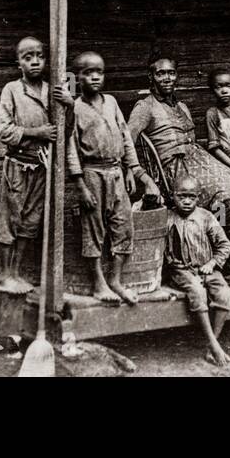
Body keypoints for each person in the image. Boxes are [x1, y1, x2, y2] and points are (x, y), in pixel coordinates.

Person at [126, 57, 230, 283]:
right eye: (160, 73)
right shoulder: (145, 107)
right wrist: (144, 178)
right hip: (176, 170)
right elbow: (125, 143)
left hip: (200, 160)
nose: (167, 78)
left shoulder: (181, 106)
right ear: (151, 77)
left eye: (171, 73)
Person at [65, 51, 161, 305]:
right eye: (88, 72)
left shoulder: (111, 103)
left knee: (123, 225)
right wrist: (80, 184)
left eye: (99, 71)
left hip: (116, 172)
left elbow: (126, 138)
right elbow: (70, 148)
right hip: (92, 174)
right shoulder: (74, 109)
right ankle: (99, 284)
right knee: (94, 229)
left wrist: (131, 169)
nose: (95, 77)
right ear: (77, 77)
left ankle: (115, 280)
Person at [0, 36, 62, 295]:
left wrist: (66, 102)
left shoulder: (50, 90)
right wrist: (37, 132)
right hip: (17, 166)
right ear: (18, 62)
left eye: (39, 56)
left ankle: (17, 272)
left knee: (30, 222)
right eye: (27, 57)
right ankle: (4, 275)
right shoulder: (12, 90)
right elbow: (2, 130)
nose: (35, 62)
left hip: (41, 167)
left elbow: (64, 126)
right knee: (11, 219)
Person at [165, 174, 230, 367]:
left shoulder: (206, 216)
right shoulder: (168, 218)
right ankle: (214, 344)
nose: (187, 201)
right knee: (197, 291)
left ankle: (213, 342)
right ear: (173, 196)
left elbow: (224, 245)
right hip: (182, 271)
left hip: (207, 268)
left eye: (192, 197)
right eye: (181, 196)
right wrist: (171, 262)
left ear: (198, 197)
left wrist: (212, 263)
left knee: (224, 294)